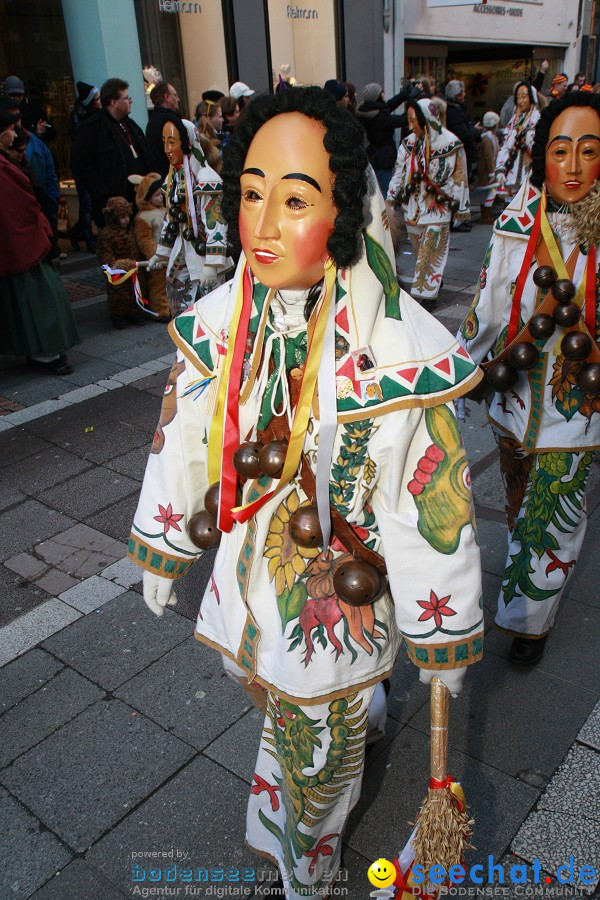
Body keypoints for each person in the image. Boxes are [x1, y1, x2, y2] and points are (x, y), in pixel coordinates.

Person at [128, 86, 483, 900]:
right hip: (252, 571)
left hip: (341, 591)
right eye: (251, 194)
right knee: (278, 698)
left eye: (294, 200)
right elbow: (184, 431)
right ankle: (342, 744)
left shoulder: (391, 351)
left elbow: (430, 502)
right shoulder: (223, 320)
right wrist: (165, 538)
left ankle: (306, 868)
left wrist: (444, 623)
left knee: (314, 735)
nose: (260, 224)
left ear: (347, 210)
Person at [457, 92, 600, 666]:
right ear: (542, 155)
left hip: (579, 402)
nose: (571, 166)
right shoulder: (517, 224)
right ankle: (524, 583)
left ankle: (526, 620)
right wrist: (463, 371)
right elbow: (488, 304)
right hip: (514, 395)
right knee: (520, 498)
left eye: (588, 152)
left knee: (556, 500)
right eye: (560, 150)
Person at [0, 108, 79, 375]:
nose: (14, 134)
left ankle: (45, 352)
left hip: (29, 240)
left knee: (40, 297)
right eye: (11, 129)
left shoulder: (9, 163)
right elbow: (16, 210)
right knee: (36, 299)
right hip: (22, 245)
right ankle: (44, 353)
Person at [387, 97, 470, 310]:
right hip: (412, 208)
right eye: (409, 120)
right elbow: (399, 171)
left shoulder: (450, 143)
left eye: (414, 121)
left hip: (438, 208)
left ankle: (425, 296)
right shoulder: (408, 144)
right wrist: (390, 198)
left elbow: (460, 176)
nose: (411, 125)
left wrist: (460, 207)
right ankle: (434, 281)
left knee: (430, 249)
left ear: (428, 119)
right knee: (419, 249)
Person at [147, 118, 229, 318]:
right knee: (183, 314)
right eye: (164, 141)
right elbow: (171, 219)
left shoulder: (206, 179)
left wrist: (212, 264)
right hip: (182, 252)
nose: (167, 148)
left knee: (210, 317)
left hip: (203, 256)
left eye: (172, 142)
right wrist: (161, 253)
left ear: (187, 143)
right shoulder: (173, 178)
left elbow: (217, 224)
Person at [72, 77, 149, 228]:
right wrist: (105, 194)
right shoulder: (91, 128)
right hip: (114, 207)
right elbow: (82, 167)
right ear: (114, 102)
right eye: (126, 98)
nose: (130, 101)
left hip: (139, 202)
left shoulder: (130, 125)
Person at [356, 81, 421, 196]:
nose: (384, 94)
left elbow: (388, 106)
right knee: (385, 194)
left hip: (373, 157)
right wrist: (412, 101)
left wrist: (404, 95)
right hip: (383, 160)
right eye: (381, 92)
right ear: (377, 96)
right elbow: (403, 119)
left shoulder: (366, 109)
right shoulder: (381, 118)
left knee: (376, 192)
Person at [96, 196, 148, 329]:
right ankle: (118, 315)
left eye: (127, 216)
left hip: (134, 269)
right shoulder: (107, 234)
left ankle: (135, 313)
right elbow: (105, 254)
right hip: (119, 271)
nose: (126, 220)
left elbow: (136, 246)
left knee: (136, 290)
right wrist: (116, 266)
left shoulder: (130, 230)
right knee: (119, 294)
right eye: (122, 217)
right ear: (113, 217)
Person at [130, 172, 170, 321]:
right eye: (156, 195)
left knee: (169, 281)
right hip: (157, 256)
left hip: (168, 252)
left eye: (161, 194)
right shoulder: (144, 217)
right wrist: (154, 254)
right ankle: (160, 309)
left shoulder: (163, 210)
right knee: (158, 283)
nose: (160, 197)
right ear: (146, 197)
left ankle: (170, 305)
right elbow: (144, 239)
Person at [68, 81, 102, 252]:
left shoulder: (96, 115)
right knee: (87, 204)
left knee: (90, 204)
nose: (99, 101)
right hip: (84, 167)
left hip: (93, 165)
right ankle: (89, 239)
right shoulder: (78, 118)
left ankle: (76, 232)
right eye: (96, 98)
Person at [495, 82, 540, 204]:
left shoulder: (538, 121)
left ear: (532, 98)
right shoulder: (513, 121)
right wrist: (500, 168)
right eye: (518, 97)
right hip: (511, 176)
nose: (520, 101)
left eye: (524, 96)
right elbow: (505, 146)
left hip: (529, 176)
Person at [444, 79, 481, 180]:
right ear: (457, 95)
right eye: (462, 92)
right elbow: (463, 136)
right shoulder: (454, 112)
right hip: (459, 157)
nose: (464, 94)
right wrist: (475, 130)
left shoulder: (454, 110)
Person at [146, 81, 181, 179]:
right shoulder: (169, 121)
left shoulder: (153, 121)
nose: (178, 99)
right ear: (167, 97)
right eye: (175, 95)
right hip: (171, 179)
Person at [477, 111, 500, 224]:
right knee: (492, 190)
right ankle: (485, 215)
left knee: (489, 192)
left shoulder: (488, 137)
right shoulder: (487, 138)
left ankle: (485, 214)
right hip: (487, 170)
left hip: (488, 169)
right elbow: (489, 156)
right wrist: (492, 172)